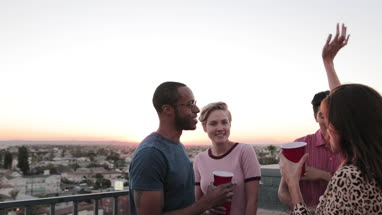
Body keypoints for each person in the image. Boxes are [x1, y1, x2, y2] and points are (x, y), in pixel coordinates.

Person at [129, 82, 234, 215]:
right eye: (190, 104)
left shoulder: (178, 147)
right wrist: (206, 202)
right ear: (167, 110)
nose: (196, 110)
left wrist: (208, 207)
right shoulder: (150, 154)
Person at [279, 83, 382, 214]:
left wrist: (293, 183)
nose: (327, 127)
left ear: (344, 125)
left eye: (330, 119)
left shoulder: (348, 176)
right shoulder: (371, 164)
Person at [278, 23, 349, 211]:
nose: (328, 120)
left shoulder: (352, 147)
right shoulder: (300, 145)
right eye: (322, 115)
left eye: (332, 114)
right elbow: (282, 192)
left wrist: (324, 175)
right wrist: (307, 209)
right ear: (315, 116)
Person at [193, 102, 261, 215]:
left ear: (230, 125)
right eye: (213, 123)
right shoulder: (199, 160)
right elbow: (198, 204)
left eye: (224, 122)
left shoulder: (244, 151)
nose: (220, 128)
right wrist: (208, 209)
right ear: (205, 127)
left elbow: (252, 201)